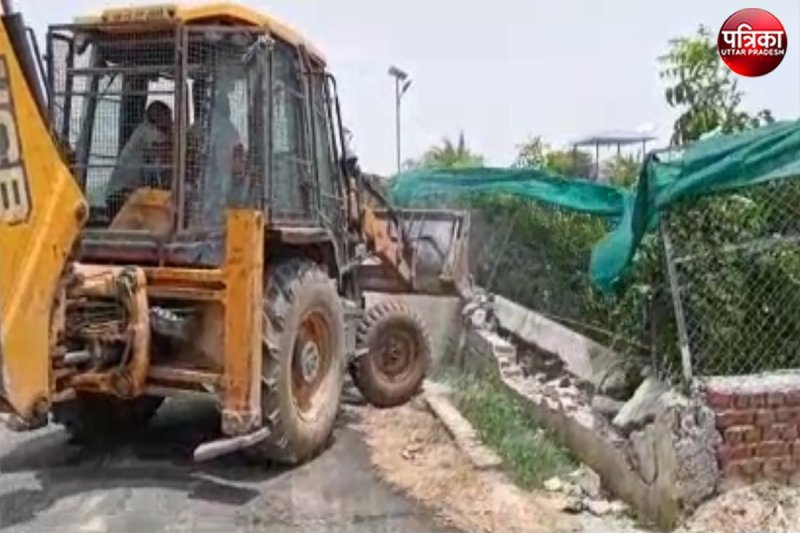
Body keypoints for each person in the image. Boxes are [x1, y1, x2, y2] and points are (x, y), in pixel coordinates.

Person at [106, 100, 173, 219]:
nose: (171, 121)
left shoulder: (146, 131)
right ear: (158, 116)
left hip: (126, 194)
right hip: (121, 196)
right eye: (168, 116)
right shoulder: (147, 131)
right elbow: (165, 151)